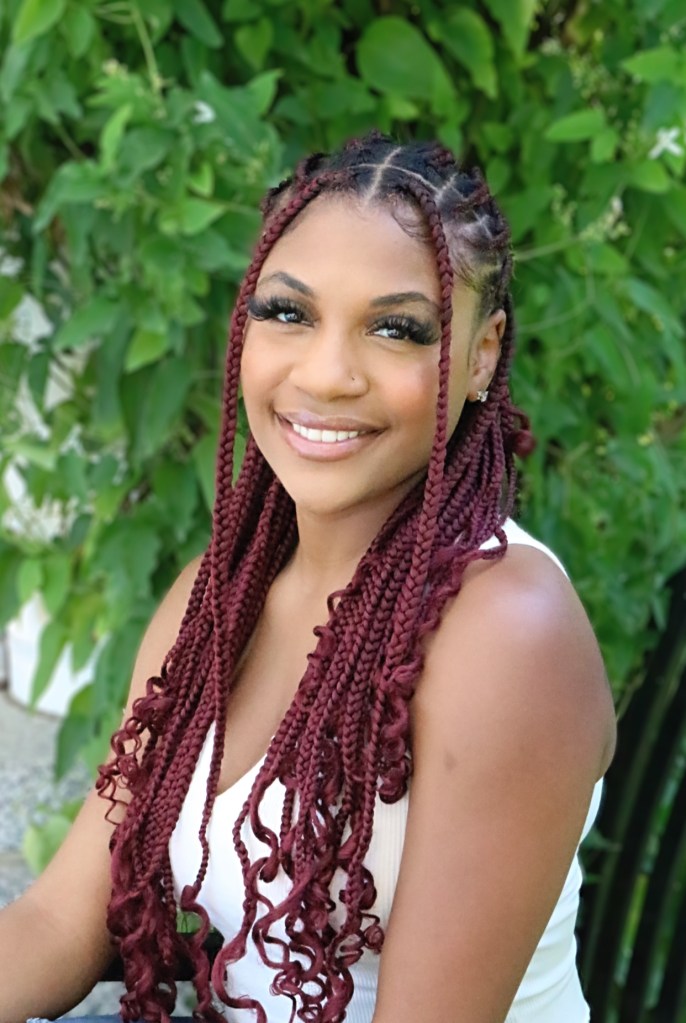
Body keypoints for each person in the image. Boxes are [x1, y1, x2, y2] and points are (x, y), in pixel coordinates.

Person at [0, 131, 616, 1023]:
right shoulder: (221, 594)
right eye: (289, 312)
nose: (327, 375)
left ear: (483, 355)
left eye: (396, 328)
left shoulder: (508, 632)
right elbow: (61, 919)